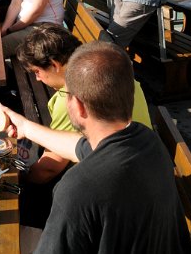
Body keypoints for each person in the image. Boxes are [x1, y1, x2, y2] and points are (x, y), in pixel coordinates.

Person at [1, 41, 191, 253]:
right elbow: (79, 146)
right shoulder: (146, 141)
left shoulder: (78, 188)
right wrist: (25, 127)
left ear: (79, 106)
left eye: (67, 95)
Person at [15, 23, 152, 228]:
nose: (37, 78)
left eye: (37, 71)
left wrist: (19, 180)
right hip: (141, 168)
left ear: (54, 64)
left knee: (28, 202)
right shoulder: (116, 74)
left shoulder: (71, 98)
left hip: (112, 194)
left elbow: (49, 169)